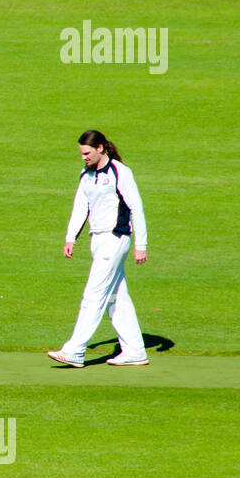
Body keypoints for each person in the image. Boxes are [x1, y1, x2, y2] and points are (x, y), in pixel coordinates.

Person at [48, 131, 149, 367]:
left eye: (87, 153)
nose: (84, 157)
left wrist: (140, 245)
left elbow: (137, 208)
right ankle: (135, 351)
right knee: (116, 297)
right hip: (98, 240)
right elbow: (80, 206)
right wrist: (70, 238)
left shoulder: (120, 172)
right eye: (82, 153)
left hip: (115, 238)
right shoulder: (86, 173)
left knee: (93, 294)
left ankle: (75, 350)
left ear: (100, 148)